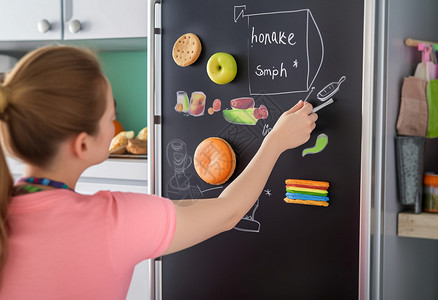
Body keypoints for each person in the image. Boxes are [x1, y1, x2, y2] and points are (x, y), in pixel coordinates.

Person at [0, 45, 317, 299]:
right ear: (83, 144)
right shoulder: (111, 221)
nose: (114, 125)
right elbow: (228, 213)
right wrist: (275, 141)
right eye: (112, 117)